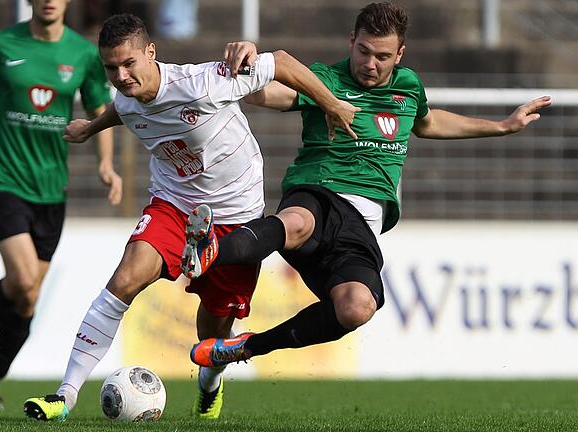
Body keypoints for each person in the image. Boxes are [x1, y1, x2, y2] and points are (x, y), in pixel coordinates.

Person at [21, 13, 358, 422]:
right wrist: (90, 128)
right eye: (111, 67)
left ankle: (209, 386)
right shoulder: (127, 98)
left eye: (129, 64)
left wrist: (333, 104)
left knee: (212, 333)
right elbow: (121, 110)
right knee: (125, 279)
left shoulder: (204, 82)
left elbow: (282, 61)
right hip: (174, 205)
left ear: (151, 52)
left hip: (237, 216)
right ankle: (65, 396)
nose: (122, 76)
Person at [185, 2, 552, 369]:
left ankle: (247, 347)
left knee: (356, 308)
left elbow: (428, 123)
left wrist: (502, 126)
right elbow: (262, 94)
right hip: (318, 191)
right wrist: (244, 65)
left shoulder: (408, 87)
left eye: (382, 56)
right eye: (363, 51)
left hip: (361, 227)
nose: (370, 64)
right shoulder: (324, 81)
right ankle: (208, 249)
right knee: (296, 222)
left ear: (400, 54)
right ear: (351, 41)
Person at [0, 0, 122, 409]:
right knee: (25, 280)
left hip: (51, 189)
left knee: (26, 297)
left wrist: (106, 163)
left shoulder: (83, 54)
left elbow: (100, 109)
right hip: (2, 177)